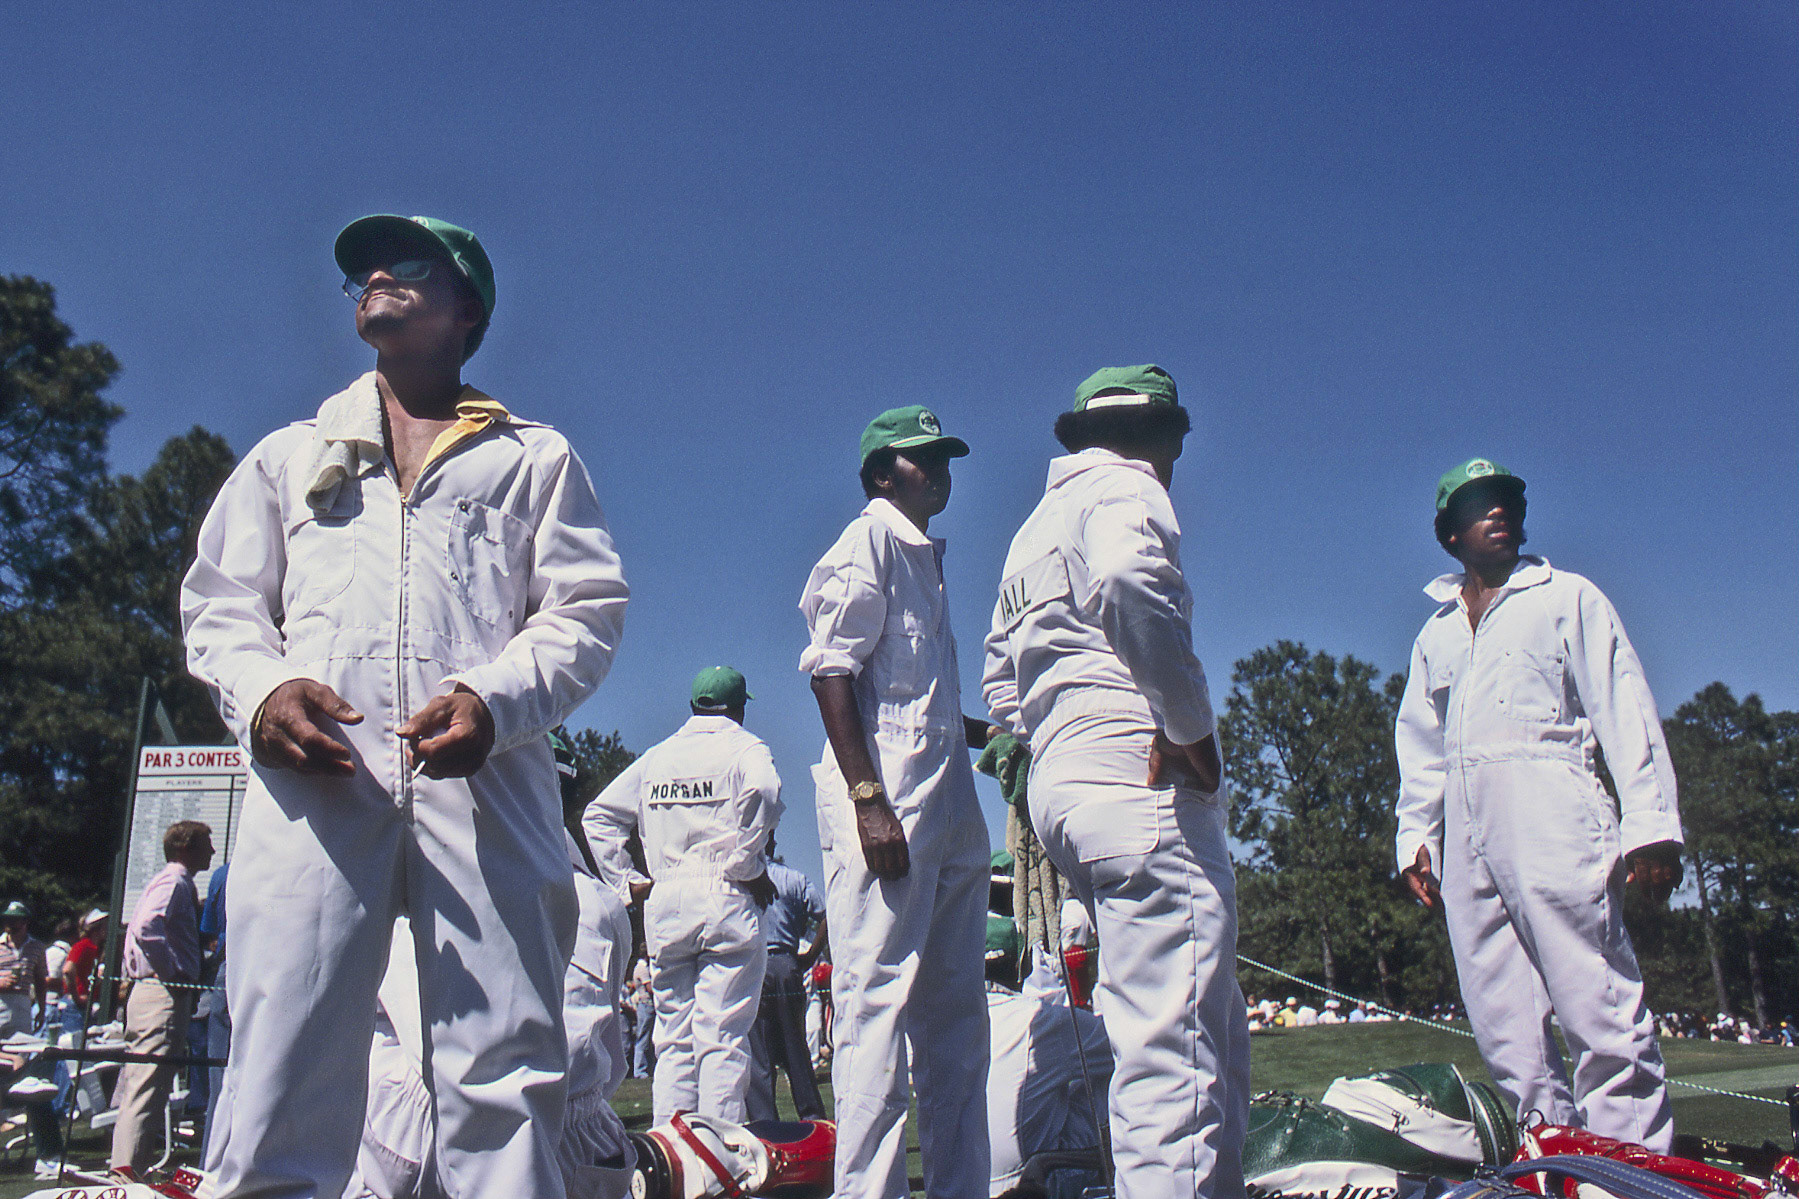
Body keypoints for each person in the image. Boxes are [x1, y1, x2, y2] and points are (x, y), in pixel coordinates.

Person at [181, 213, 629, 1198]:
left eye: (406, 263)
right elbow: (219, 606)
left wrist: (492, 696)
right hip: (316, 783)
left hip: (486, 785)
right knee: (277, 1066)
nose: (374, 274)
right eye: (361, 269)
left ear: (466, 308)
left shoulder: (532, 460)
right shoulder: (290, 458)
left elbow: (585, 610)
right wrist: (264, 693)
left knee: (503, 1072)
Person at [982, 365, 1248, 1199]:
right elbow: (1135, 584)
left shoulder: (1031, 530)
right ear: (1158, 435)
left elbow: (999, 681)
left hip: (1065, 783)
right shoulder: (1125, 491)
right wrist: (1188, 732)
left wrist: (1037, 753)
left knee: (1194, 1029)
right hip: (1135, 768)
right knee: (1175, 1056)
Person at [1395, 457, 1683, 1153]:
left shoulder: (1567, 596)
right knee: (1504, 1027)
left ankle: (1632, 1173)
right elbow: (1421, 741)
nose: (1496, 512)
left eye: (1505, 500)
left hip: (1553, 807)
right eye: (1477, 504)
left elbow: (1624, 706)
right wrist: (1415, 835)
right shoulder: (1435, 631)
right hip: (1466, 834)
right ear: (1448, 534)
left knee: (1597, 1004)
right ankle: (1549, 1167)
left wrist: (1650, 825)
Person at [799, 405, 993, 1199]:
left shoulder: (926, 559)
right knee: (875, 1007)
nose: (940, 468)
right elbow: (831, 670)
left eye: (944, 455)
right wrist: (867, 797)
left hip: (949, 808)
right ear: (882, 473)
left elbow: (925, 703)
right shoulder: (868, 541)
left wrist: (1001, 735)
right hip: (892, 809)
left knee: (956, 1017)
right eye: (922, 458)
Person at [583, 666, 782, 1122]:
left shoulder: (658, 756)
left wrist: (627, 879)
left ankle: (672, 1157)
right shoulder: (744, 747)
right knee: (722, 1035)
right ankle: (717, 1163)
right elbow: (766, 791)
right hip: (725, 892)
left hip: (667, 896)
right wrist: (746, 863)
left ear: (693, 706)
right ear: (739, 709)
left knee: (672, 1038)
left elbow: (599, 818)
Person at [111, 820, 212, 1177]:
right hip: (162, 993)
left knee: (143, 1087)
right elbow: (146, 928)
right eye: (206, 844)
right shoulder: (175, 882)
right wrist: (173, 972)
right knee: (147, 1089)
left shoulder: (169, 881)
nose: (213, 852)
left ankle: (126, 1169)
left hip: (152, 990)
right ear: (186, 847)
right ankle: (127, 1174)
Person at [982, 928, 1112, 1198]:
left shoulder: (945, 1024)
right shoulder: (1037, 1020)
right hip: (1037, 1180)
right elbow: (1117, 1044)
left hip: (961, 1180)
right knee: (1097, 1077)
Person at [745, 833, 829, 1123]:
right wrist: (810, 955)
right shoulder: (795, 879)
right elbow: (826, 917)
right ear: (772, 843)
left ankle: (765, 1124)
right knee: (796, 1048)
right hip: (788, 963)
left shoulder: (742, 879)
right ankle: (813, 1117)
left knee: (759, 1054)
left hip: (755, 964)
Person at [0, 902, 47, 1035]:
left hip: (22, 1006)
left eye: (14, 919)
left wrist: (42, 1010)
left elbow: (40, 981)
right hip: (1, 1000)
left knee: (22, 1048)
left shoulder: (37, 947)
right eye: (7, 919)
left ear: (25, 921)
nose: (9, 923)